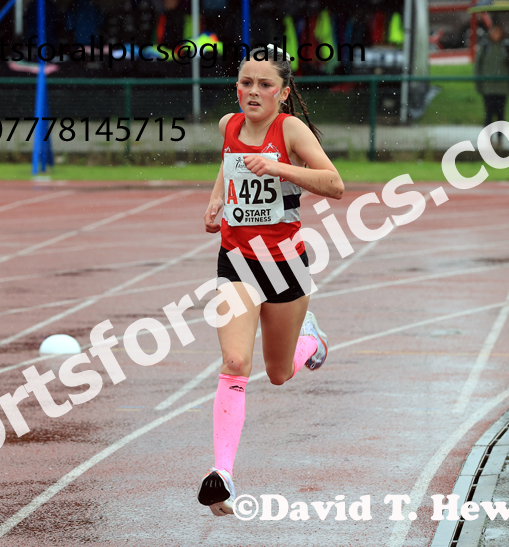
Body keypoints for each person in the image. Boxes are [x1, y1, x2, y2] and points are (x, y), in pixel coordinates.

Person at [197, 45, 344, 517]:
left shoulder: (290, 129)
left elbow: (335, 184)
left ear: (282, 92)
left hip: (285, 265)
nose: (253, 92)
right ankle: (223, 475)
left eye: (264, 84)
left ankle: (311, 340)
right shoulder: (229, 125)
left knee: (278, 374)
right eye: (245, 82)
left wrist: (278, 166)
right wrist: (216, 199)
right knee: (235, 360)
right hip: (236, 261)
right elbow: (229, 161)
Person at [474, 22, 509, 148]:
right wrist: (479, 84)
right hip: (488, 87)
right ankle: (488, 139)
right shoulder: (485, 47)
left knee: (501, 115)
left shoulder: (506, 47)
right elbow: (478, 66)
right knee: (489, 114)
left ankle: (500, 140)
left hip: (502, 88)